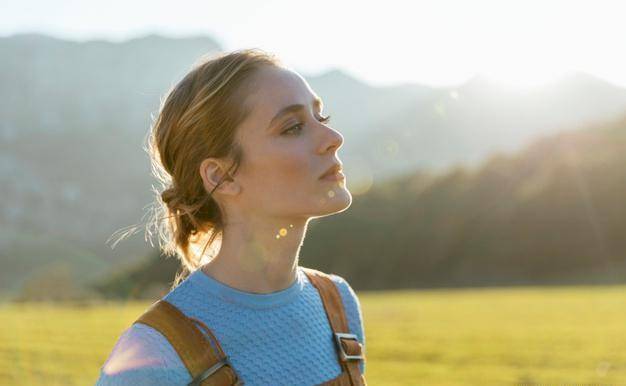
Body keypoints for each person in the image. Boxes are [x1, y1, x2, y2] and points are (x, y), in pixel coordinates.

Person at [95, 48, 366, 385]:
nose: (333, 138)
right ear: (222, 176)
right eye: (293, 127)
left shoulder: (337, 304)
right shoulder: (155, 354)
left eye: (320, 118)